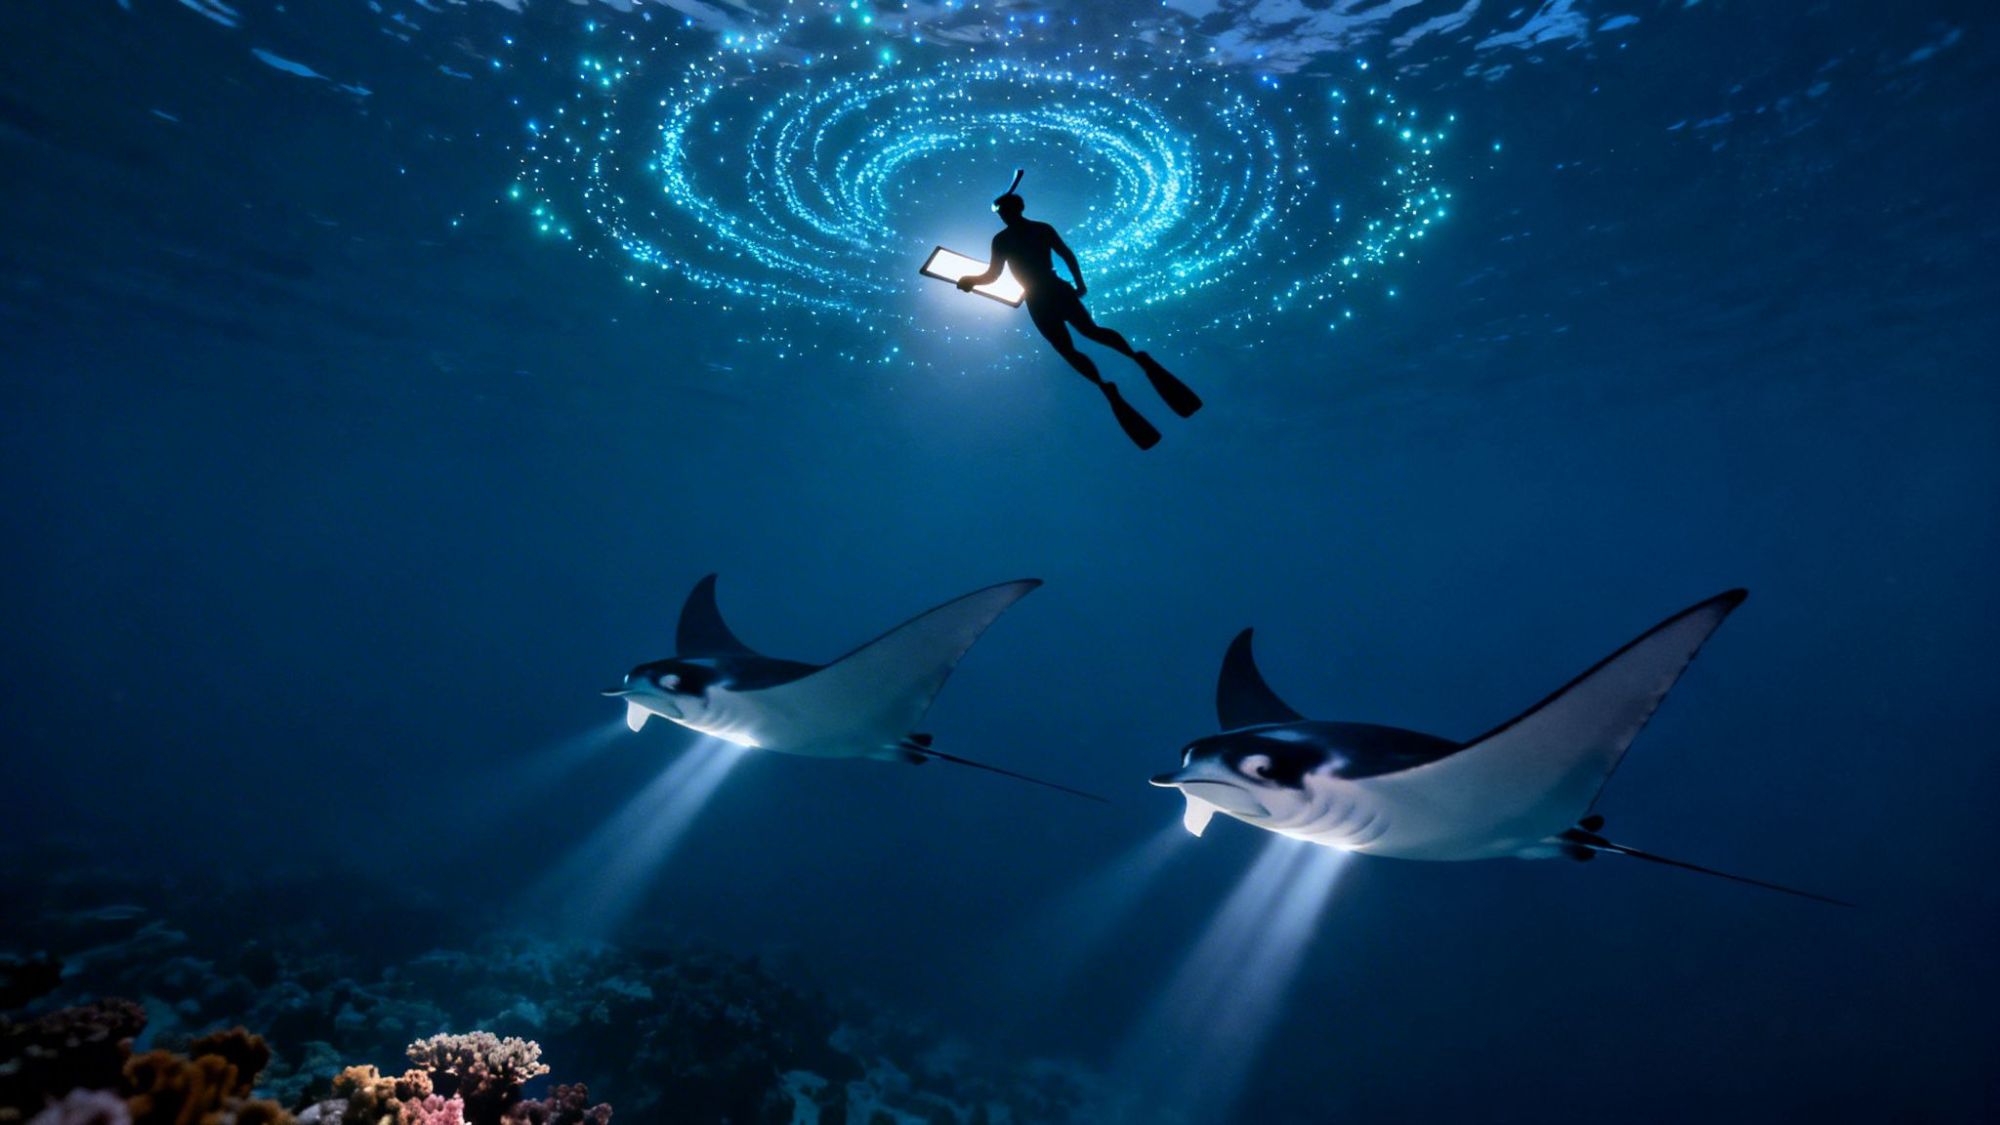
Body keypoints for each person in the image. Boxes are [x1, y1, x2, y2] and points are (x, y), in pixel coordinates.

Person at [956, 174, 1201, 450]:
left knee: (1077, 340)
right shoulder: (1032, 231)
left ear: (1014, 209)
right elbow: (1059, 257)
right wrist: (1078, 282)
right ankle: (1121, 369)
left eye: (1003, 212)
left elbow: (995, 274)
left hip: (1042, 295)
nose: (1002, 217)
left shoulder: (1009, 238)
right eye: (1001, 214)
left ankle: (1118, 372)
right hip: (1050, 292)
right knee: (1080, 337)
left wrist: (970, 281)